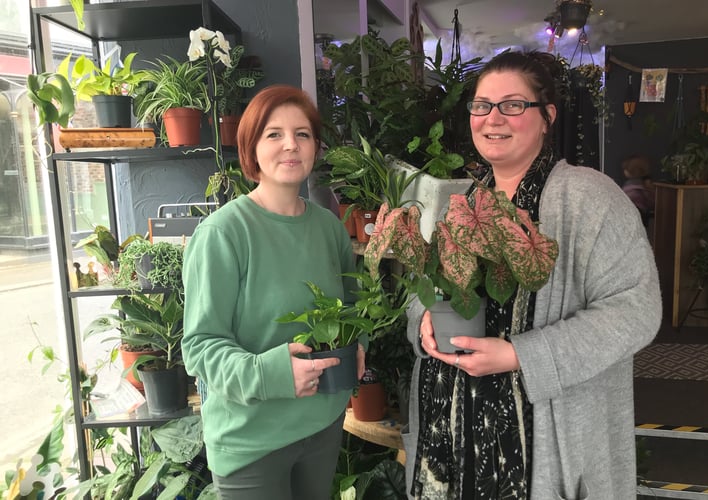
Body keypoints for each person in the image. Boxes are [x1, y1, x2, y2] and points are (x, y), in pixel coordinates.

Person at [402, 51, 662, 499]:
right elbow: (426, 289)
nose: (492, 118)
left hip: (543, 446)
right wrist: (421, 320)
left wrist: (523, 355)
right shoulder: (460, 200)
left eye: (513, 104)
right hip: (454, 434)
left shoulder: (589, 199)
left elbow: (637, 310)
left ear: (547, 117)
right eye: (482, 105)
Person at [181, 84, 364, 500]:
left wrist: (359, 343)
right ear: (251, 147)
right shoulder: (224, 233)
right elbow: (201, 346)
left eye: (302, 134)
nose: (291, 146)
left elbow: (352, 310)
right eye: (274, 134)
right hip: (252, 440)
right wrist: (272, 374)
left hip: (322, 424)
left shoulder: (329, 228)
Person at [621, 154, 656, 227]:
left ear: (629, 171)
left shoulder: (629, 186)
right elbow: (652, 202)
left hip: (630, 215)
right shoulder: (647, 185)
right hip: (643, 216)